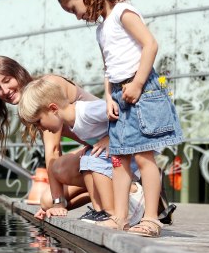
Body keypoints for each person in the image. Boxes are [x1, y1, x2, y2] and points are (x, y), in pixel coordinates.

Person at [56, 0, 184, 237]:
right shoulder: (102, 29)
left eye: (73, 9)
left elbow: (151, 44)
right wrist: (108, 96)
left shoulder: (123, 12)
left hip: (142, 91)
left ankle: (151, 218)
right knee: (119, 158)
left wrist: (137, 84)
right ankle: (120, 216)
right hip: (120, 94)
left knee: (144, 156)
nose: (77, 16)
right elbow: (108, 67)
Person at [0, 56, 99, 217]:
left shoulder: (46, 89)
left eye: (7, 80)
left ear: (18, 73)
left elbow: (53, 150)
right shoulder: (31, 103)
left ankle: (125, 192)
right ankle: (114, 195)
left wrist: (58, 202)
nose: (5, 91)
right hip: (99, 152)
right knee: (47, 201)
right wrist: (54, 205)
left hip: (117, 148)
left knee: (59, 174)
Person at [18, 77, 145, 226]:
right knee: (86, 159)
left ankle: (119, 208)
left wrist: (110, 138)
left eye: (38, 121)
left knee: (92, 160)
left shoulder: (87, 111)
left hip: (131, 153)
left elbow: (128, 114)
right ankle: (101, 212)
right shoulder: (72, 123)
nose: (40, 128)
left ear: (53, 109)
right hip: (114, 156)